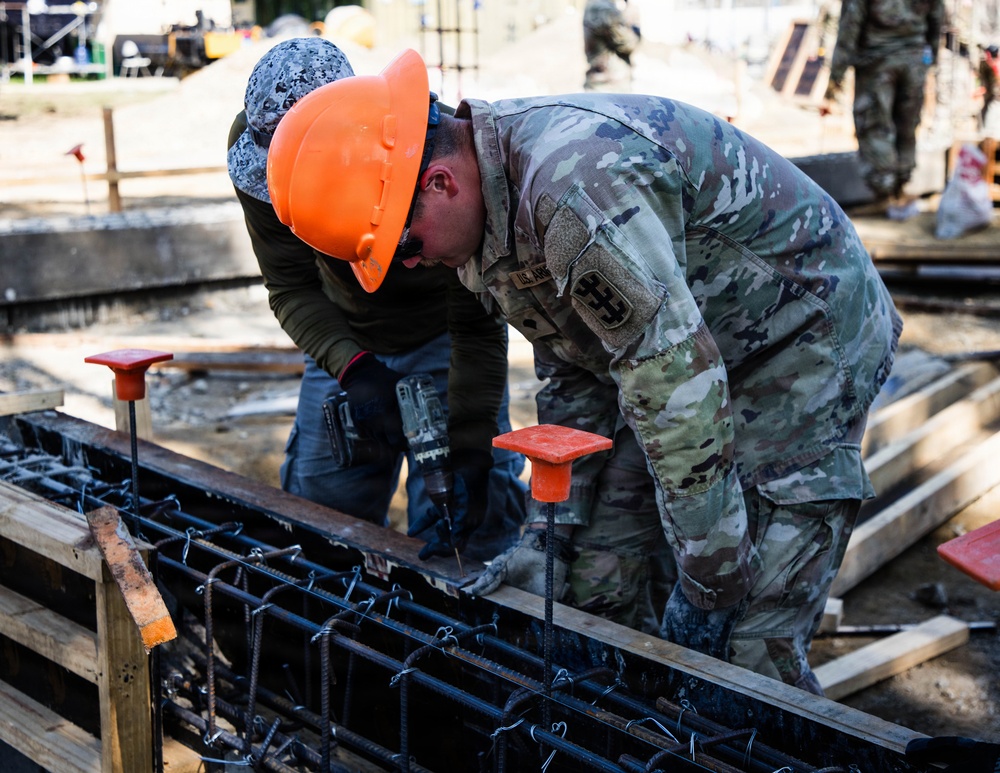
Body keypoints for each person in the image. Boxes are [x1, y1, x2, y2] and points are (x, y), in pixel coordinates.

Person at [265, 49, 902, 694]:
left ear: (438, 183)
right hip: (684, 358)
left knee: (742, 658)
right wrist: (547, 537)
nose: (409, 266)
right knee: (593, 588)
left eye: (404, 247)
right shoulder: (489, 212)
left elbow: (672, 378)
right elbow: (576, 370)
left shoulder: (572, 189)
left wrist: (710, 582)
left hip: (799, 341)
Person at [226, 38, 528, 562]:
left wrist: (473, 441)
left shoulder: (420, 152)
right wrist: (354, 368)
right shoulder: (257, 149)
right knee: (317, 525)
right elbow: (290, 287)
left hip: (447, 339)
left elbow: (477, 325)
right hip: (347, 335)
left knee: (467, 530)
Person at [824, 0, 944, 220]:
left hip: (877, 61)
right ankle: (900, 188)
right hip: (915, 59)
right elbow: (937, 17)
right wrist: (930, 58)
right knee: (907, 126)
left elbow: (851, 23)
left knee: (875, 127)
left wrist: (836, 75)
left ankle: (885, 194)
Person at [582, 0, 640, 90]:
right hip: (609, 84)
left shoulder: (597, 5)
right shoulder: (604, 9)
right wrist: (634, 25)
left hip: (604, 81)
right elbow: (628, 45)